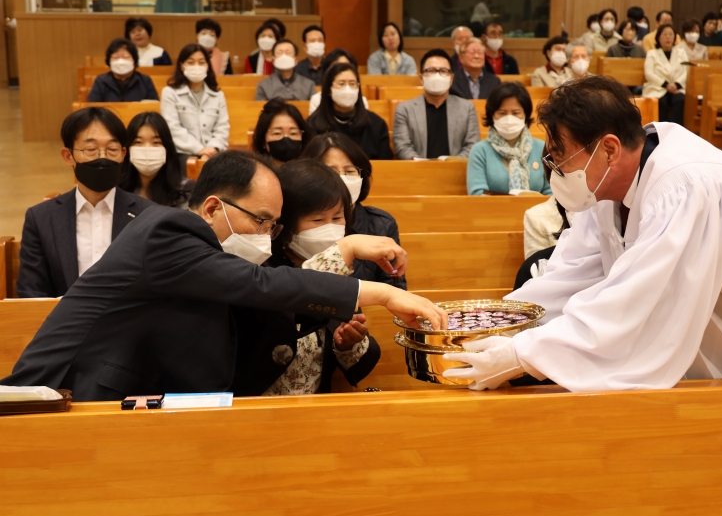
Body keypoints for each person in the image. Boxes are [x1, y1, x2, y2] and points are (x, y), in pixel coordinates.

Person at [440, 74, 722, 481]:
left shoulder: (688, 185)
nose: (554, 172)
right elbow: (569, 277)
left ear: (608, 148)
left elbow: (640, 302)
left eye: (559, 158)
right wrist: (493, 322)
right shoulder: (607, 189)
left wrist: (521, 354)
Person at [1, 150, 447, 401]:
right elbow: (261, 285)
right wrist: (379, 292)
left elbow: (264, 308)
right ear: (214, 207)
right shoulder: (170, 230)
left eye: (274, 226)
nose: (267, 236)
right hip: (62, 395)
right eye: (261, 221)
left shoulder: (208, 255)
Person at [262, 160, 383, 394]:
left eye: (337, 218)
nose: (330, 229)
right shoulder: (263, 268)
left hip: (316, 405)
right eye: (318, 220)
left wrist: (347, 344)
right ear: (285, 224)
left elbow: (356, 365)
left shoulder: (338, 271)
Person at [16, 107, 155, 298]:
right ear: (68, 156)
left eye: (112, 150)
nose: (102, 158)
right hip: (62, 316)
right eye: (90, 150)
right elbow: (31, 293)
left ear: (123, 154)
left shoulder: (148, 215)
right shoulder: (41, 218)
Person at [301, 133, 406, 290]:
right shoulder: (300, 221)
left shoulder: (381, 224)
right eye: (330, 171)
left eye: (350, 171)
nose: (341, 179)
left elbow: (395, 288)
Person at [393, 49, 480, 160]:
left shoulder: (467, 108)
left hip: (456, 169)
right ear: (421, 78)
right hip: (417, 168)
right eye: (431, 70)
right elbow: (402, 146)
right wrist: (421, 164)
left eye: (443, 71)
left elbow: (472, 145)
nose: (437, 75)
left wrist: (453, 163)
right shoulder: (404, 109)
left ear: (451, 78)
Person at [467, 82, 549, 196]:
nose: (509, 118)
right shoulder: (480, 151)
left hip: (539, 208)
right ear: (492, 115)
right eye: (502, 113)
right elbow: (477, 194)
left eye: (515, 113)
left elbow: (551, 191)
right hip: (492, 208)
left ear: (525, 115)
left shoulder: (542, 148)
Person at [160, 43, 230, 165]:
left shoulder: (218, 95)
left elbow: (222, 127)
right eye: (191, 62)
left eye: (201, 62)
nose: (196, 66)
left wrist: (211, 150)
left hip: (214, 153)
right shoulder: (170, 93)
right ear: (182, 66)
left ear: (207, 66)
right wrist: (200, 150)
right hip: (182, 153)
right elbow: (172, 128)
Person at [307, 63, 392, 160]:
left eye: (352, 84)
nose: (347, 89)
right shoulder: (312, 125)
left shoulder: (376, 124)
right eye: (341, 84)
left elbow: (386, 164)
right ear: (329, 90)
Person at [121, 111, 192, 208]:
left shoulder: (185, 189)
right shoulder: (117, 190)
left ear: (167, 149)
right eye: (138, 142)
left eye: (156, 142)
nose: (147, 149)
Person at [87, 38, 158, 103]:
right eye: (115, 57)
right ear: (109, 61)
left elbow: (155, 106)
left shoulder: (145, 81)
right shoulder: (101, 81)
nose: (120, 61)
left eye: (125, 57)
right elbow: (92, 106)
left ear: (134, 60)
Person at [644, 24, 688, 125]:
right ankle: (660, 130)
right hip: (658, 87)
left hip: (677, 88)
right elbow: (649, 73)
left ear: (675, 37)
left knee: (680, 100)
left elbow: (686, 71)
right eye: (664, 34)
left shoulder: (681, 52)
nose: (668, 37)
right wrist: (666, 84)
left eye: (670, 34)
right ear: (658, 37)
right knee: (661, 102)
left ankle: (674, 130)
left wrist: (676, 84)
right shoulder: (652, 53)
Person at [252, 100, 314, 166]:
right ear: (263, 141)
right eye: (277, 133)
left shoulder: (312, 170)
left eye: (293, 133)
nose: (286, 139)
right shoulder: (254, 171)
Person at [308, 49, 369, 116]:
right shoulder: (317, 100)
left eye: (346, 66)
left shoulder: (362, 101)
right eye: (336, 67)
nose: (342, 71)